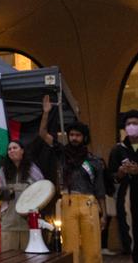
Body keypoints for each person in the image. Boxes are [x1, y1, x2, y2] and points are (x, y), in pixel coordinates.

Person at [40, 95, 105, 263]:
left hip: (89, 203)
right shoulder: (62, 153)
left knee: (93, 249)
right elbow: (42, 134)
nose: (74, 138)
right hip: (67, 202)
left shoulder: (94, 161)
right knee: (69, 248)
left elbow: (100, 189)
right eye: (71, 135)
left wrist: (103, 214)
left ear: (84, 138)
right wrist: (46, 113)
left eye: (77, 135)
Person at [0, 140, 44, 251]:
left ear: (22, 151)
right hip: (9, 222)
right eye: (9, 149)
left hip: (29, 224)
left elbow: (42, 190)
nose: (11, 151)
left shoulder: (33, 170)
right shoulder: (2, 171)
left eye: (15, 148)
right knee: (8, 257)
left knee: (29, 257)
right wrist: (9, 192)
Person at [108, 109, 138, 261]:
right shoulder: (118, 149)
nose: (132, 126)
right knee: (130, 230)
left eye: (135, 123)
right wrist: (120, 173)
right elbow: (112, 177)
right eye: (129, 124)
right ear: (124, 127)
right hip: (127, 195)